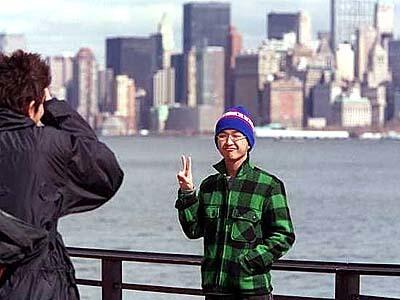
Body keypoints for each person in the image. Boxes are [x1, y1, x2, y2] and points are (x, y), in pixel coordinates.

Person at [0, 50, 124, 299]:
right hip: (36, 286)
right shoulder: (51, 145)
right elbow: (106, 174)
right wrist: (56, 108)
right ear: (34, 104)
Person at [176, 106, 295, 299]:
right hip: (215, 289)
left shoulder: (268, 185)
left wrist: (248, 262)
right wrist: (188, 192)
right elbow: (193, 230)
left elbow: (284, 236)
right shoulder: (209, 185)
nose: (229, 142)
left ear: (248, 143)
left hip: (252, 291)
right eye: (222, 136)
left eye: (236, 135)